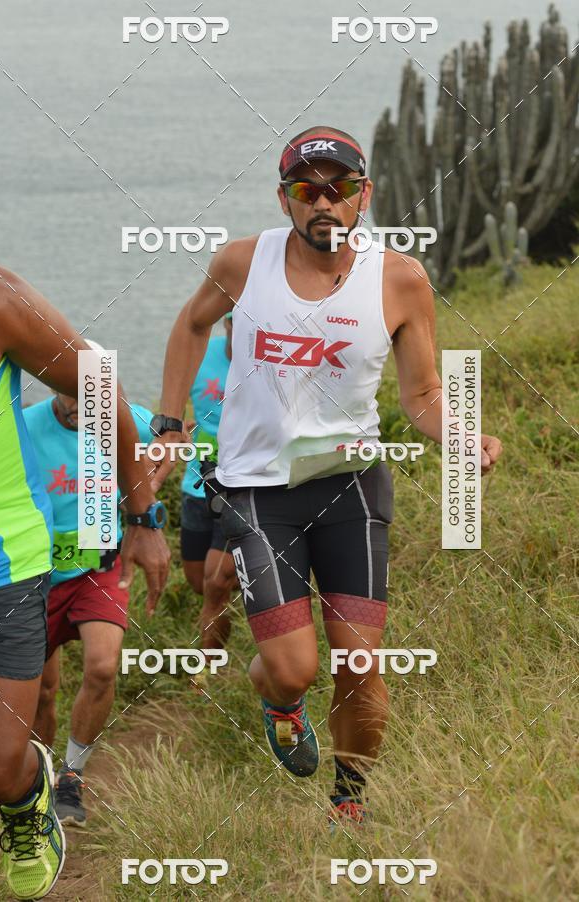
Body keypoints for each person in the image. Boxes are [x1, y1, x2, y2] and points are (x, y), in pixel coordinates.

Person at [151, 125, 502, 825]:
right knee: (292, 669)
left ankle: (348, 802)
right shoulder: (242, 262)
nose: (323, 203)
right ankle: (280, 704)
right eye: (305, 189)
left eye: (338, 188)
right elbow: (191, 325)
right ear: (283, 198)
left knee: (360, 664)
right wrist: (169, 421)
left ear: (363, 196)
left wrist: (461, 437)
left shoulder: (399, 279)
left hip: (351, 484)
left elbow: (423, 394)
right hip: (258, 489)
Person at [0, 261, 170, 899]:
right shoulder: (39, 423)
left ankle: (38, 784)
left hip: (5, 564)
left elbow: (102, 390)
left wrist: (143, 516)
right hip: (48, 570)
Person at [24, 341, 154, 828]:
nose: (84, 404)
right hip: (35, 575)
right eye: (73, 391)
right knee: (42, 692)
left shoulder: (120, 418)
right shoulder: (24, 427)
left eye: (95, 393)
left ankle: (72, 777)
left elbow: (173, 436)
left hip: (99, 564)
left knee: (102, 666)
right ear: (53, 383)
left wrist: (147, 493)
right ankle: (38, 780)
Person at [177, 314, 237, 665]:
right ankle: (250, 587)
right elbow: (173, 403)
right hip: (196, 485)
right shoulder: (200, 355)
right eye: (234, 322)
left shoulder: (267, 361)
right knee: (199, 582)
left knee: (215, 584)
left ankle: (208, 670)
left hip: (240, 489)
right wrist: (175, 427)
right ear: (225, 323)